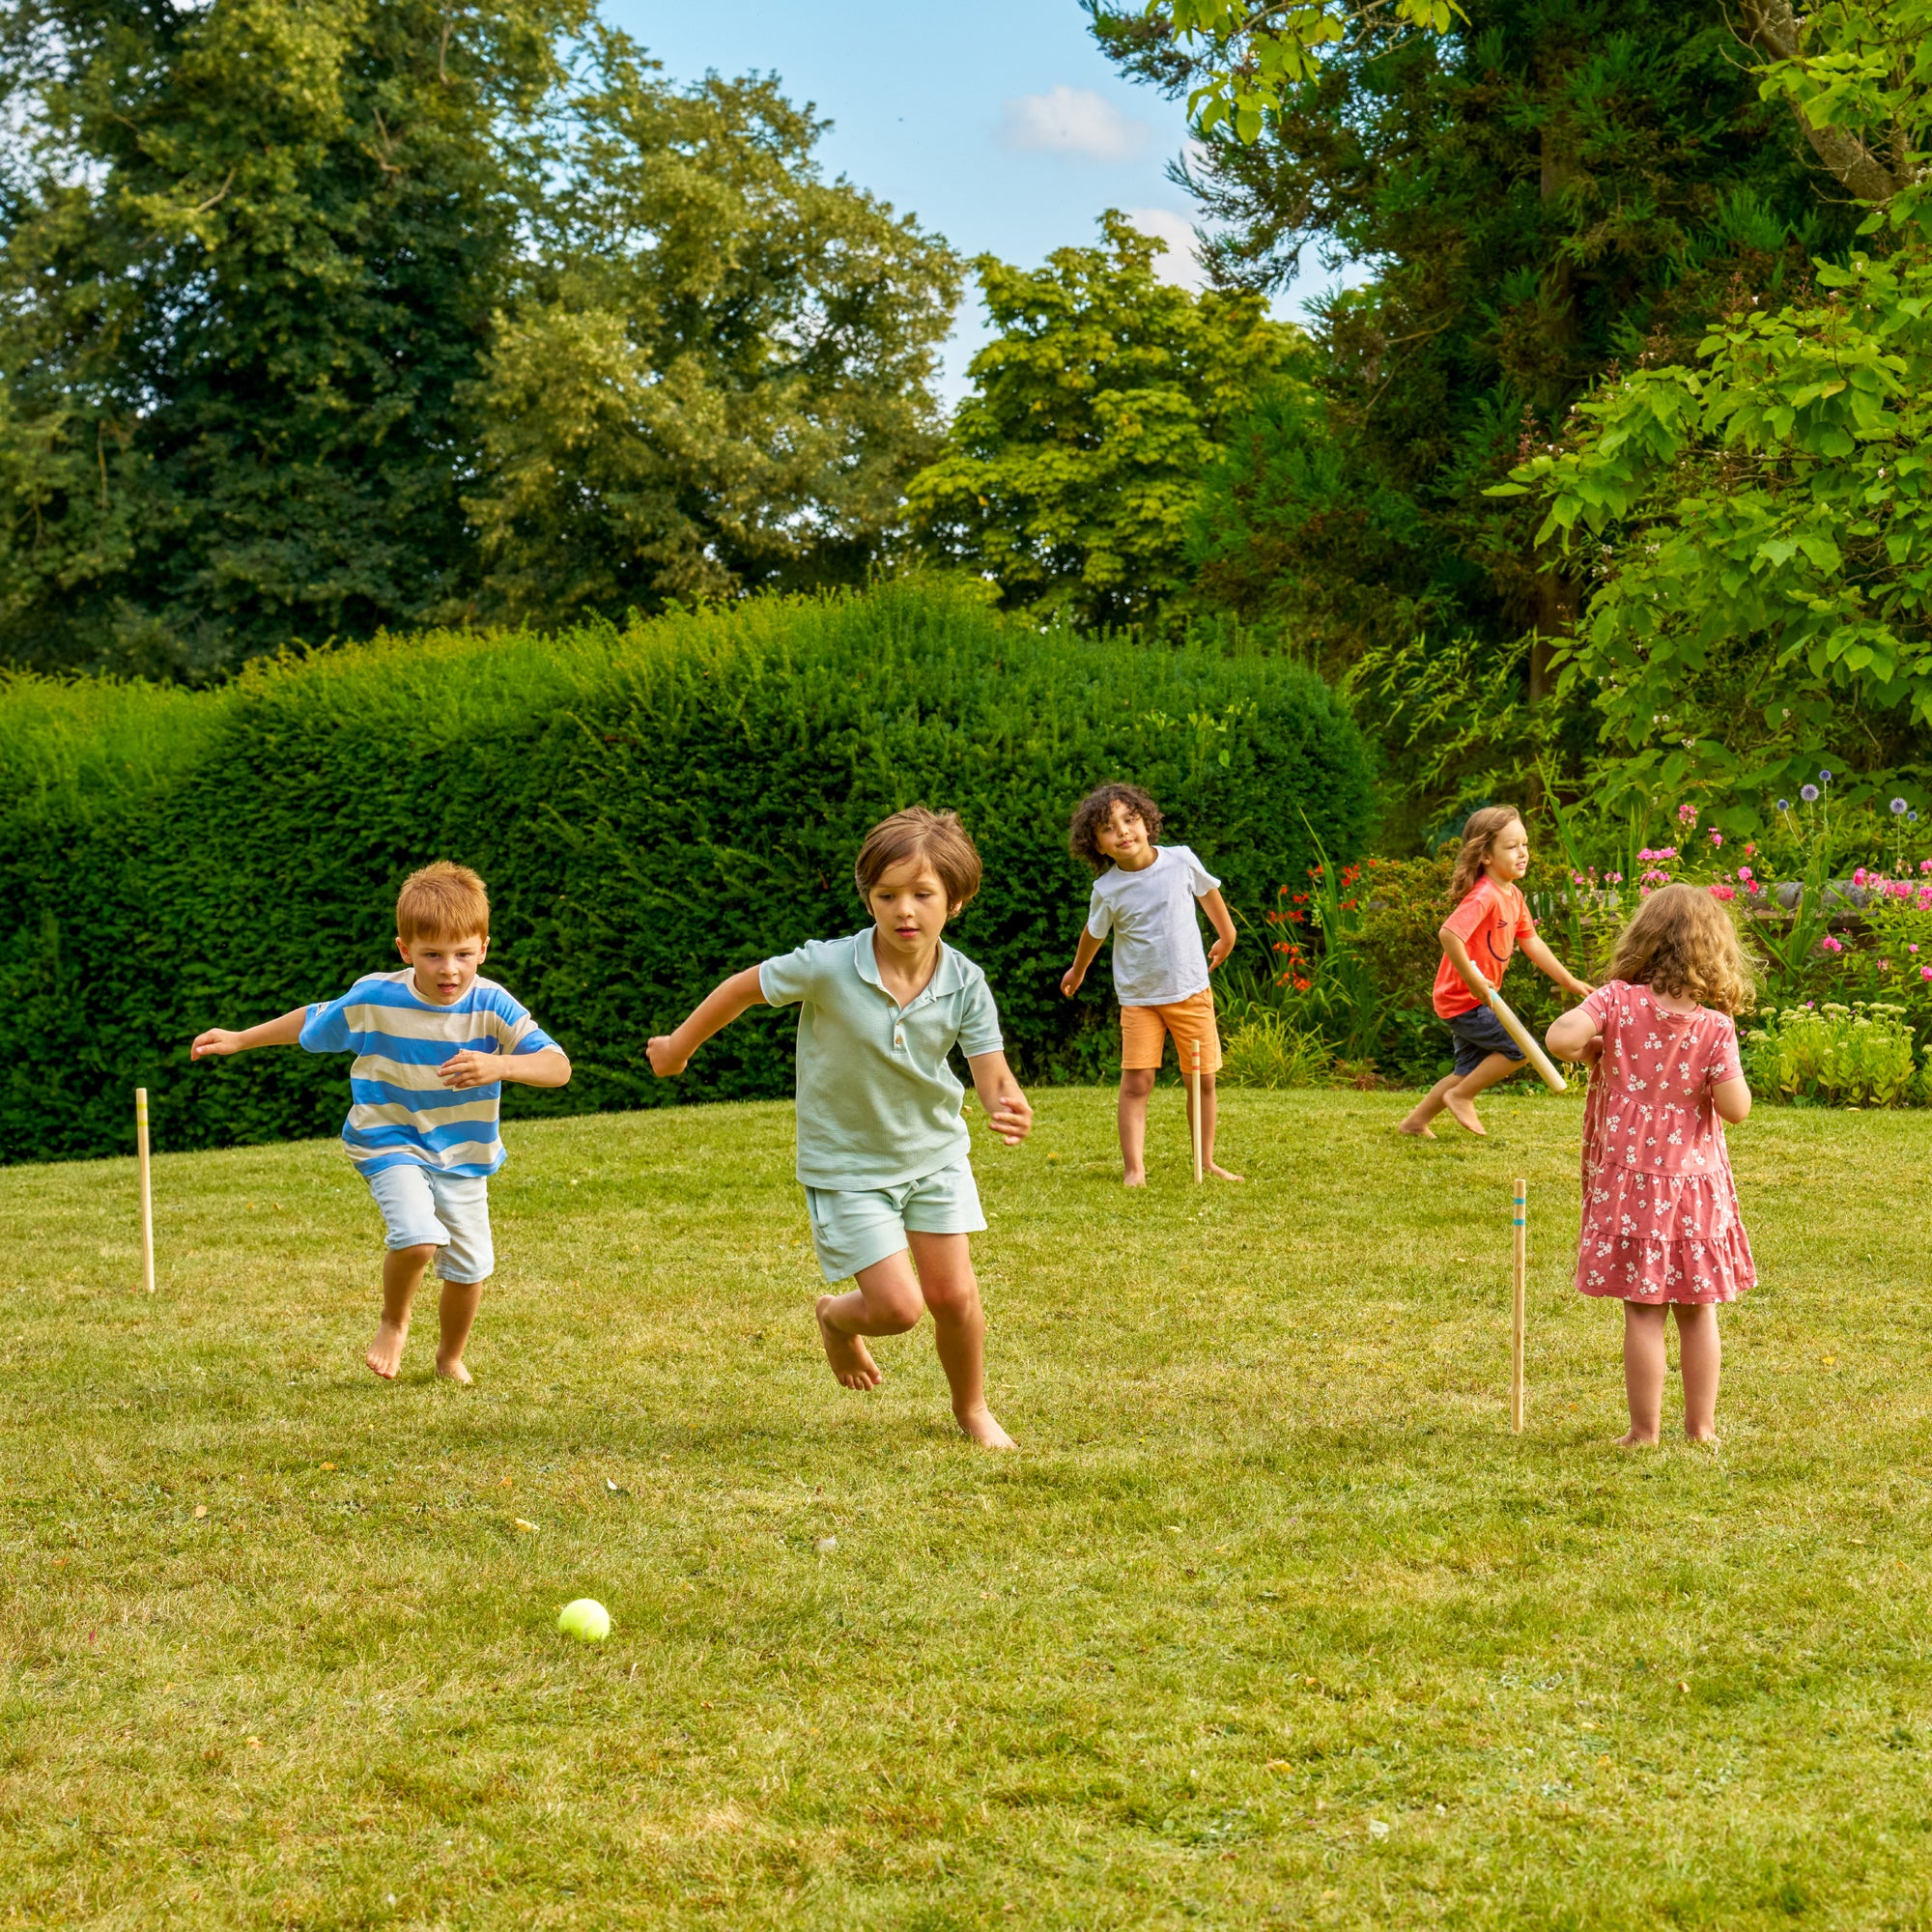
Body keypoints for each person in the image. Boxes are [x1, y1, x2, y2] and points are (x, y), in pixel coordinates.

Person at [646, 807, 1031, 1450]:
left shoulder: (965, 982)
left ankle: (972, 1409)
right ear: (868, 898)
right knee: (898, 1309)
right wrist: (678, 1048)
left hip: (934, 1155)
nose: (903, 910)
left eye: (922, 895)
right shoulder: (827, 966)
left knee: (955, 1297)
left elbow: (991, 1071)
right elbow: (741, 989)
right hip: (848, 1167)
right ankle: (836, 1319)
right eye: (886, 895)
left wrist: (1005, 1102)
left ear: (956, 901)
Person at [189, 862, 571, 1384]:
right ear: (404, 950)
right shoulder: (375, 997)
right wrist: (240, 1038)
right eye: (432, 955)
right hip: (387, 1138)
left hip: (463, 1154)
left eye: (463, 954)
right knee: (417, 1237)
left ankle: (449, 1358)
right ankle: (394, 1322)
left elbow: (557, 1067)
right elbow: (312, 1019)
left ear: (483, 949)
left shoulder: (492, 1004)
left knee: (470, 1269)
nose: (449, 970)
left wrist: (501, 1065)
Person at [1546, 884, 1755, 1446]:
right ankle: (1702, 1429)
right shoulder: (1715, 1028)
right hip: (1694, 1187)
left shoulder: (1616, 1001)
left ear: (1644, 941)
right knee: (1698, 1309)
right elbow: (1736, 1110)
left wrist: (1594, 1044)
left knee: (1642, 1310)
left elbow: (1560, 1038)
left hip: (1631, 1183)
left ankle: (1644, 1433)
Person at [1060, 782, 1239, 1186]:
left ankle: (1207, 1162)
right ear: (1097, 845)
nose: (1122, 831)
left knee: (1202, 1079)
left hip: (1190, 991)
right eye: (1108, 828)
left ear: (1147, 822)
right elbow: (1093, 933)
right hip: (1139, 999)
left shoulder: (1180, 861)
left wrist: (1227, 936)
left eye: (1130, 820)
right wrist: (1078, 970)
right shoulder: (1107, 889)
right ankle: (1134, 1169)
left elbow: (1209, 893)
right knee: (1137, 1082)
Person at [1399, 805, 1592, 1139]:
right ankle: (1461, 1096)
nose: (1523, 853)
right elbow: (1449, 934)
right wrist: (1474, 981)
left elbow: (1532, 943)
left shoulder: (1513, 895)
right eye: (1512, 846)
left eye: (1525, 844)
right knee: (1518, 1050)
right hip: (1464, 998)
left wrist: (1569, 981)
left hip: (1475, 998)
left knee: (1467, 1070)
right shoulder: (1484, 895)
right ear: (1485, 855)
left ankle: (1414, 1123)